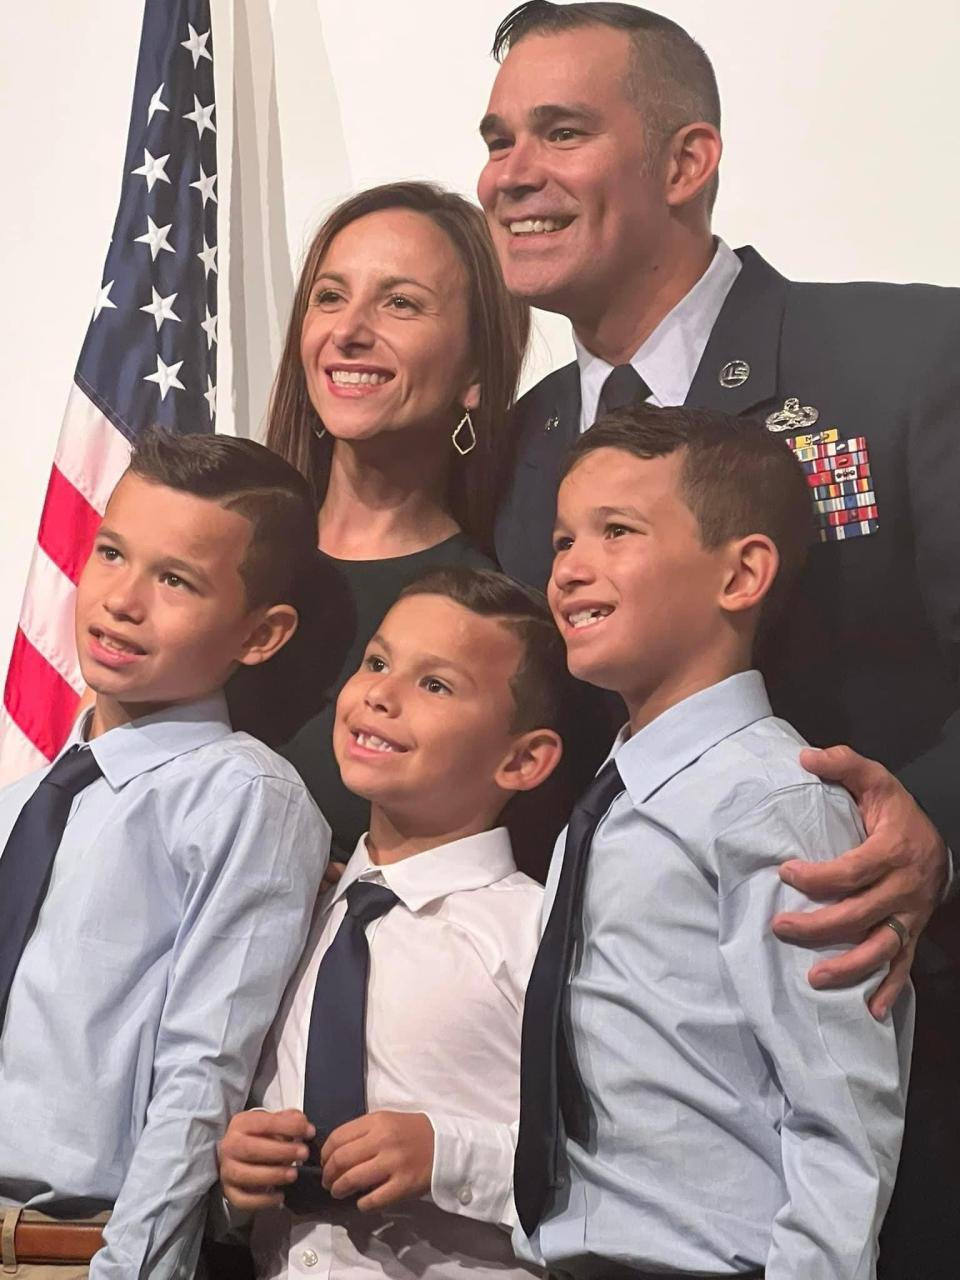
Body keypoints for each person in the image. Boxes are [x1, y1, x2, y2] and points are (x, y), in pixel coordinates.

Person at [477, 6, 959, 1270]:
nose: (510, 172)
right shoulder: (520, 456)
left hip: (901, 1113)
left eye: (561, 130)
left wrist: (939, 828)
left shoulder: (908, 356)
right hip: (625, 1180)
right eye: (498, 137)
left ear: (689, 162)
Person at [513, 404, 912, 1279]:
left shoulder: (771, 801)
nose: (572, 569)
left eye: (615, 532)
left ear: (742, 575)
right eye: (561, 542)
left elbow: (843, 1111)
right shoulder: (608, 799)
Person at [0, 430, 330, 1279]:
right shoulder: (23, 804)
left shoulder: (242, 798)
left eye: (175, 580)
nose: (121, 600)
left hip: (78, 1248)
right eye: (112, 553)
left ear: (261, 634)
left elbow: (203, 1069)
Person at [217, 568, 567, 1280]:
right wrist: (231, 1173)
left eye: (434, 685)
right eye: (377, 662)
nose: (379, 693)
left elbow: (610, 1160)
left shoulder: (539, 933)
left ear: (522, 759)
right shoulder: (292, 917)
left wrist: (447, 1154)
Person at [250, 181, 529, 863]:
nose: (347, 331)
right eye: (329, 296)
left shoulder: (488, 616)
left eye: (400, 302)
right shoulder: (226, 556)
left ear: (476, 374)